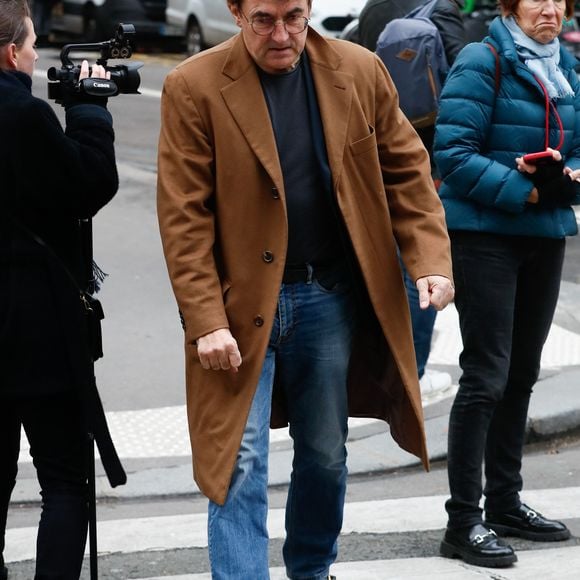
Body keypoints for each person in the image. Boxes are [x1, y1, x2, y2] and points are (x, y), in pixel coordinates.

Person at [157, 0, 454, 578]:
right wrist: (205, 320)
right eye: (264, 19)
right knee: (238, 462)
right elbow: (183, 215)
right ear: (236, 13)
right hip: (237, 305)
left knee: (325, 454)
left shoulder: (360, 69)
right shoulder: (192, 86)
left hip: (327, 296)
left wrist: (430, 261)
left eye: (294, 16)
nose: (283, 34)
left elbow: (407, 172)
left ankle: (312, 568)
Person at [434, 0, 579, 568]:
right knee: (486, 376)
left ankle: (504, 503)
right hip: (485, 237)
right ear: (509, 7)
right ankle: (463, 520)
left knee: (520, 374)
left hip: (544, 236)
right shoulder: (482, 58)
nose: (550, 8)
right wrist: (528, 190)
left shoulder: (562, 66)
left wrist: (567, 177)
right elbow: (452, 155)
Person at [0, 1, 120, 577]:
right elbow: (88, 184)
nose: (35, 55)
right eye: (31, 45)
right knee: (65, 480)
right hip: (37, 330)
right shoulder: (22, 116)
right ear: (9, 52)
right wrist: (90, 109)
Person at [358, 0, 466, 401]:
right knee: (420, 272)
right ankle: (413, 375)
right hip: (423, 154)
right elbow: (461, 80)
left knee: (381, 267)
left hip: (374, 149)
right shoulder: (440, 7)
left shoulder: (373, 9)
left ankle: (380, 368)